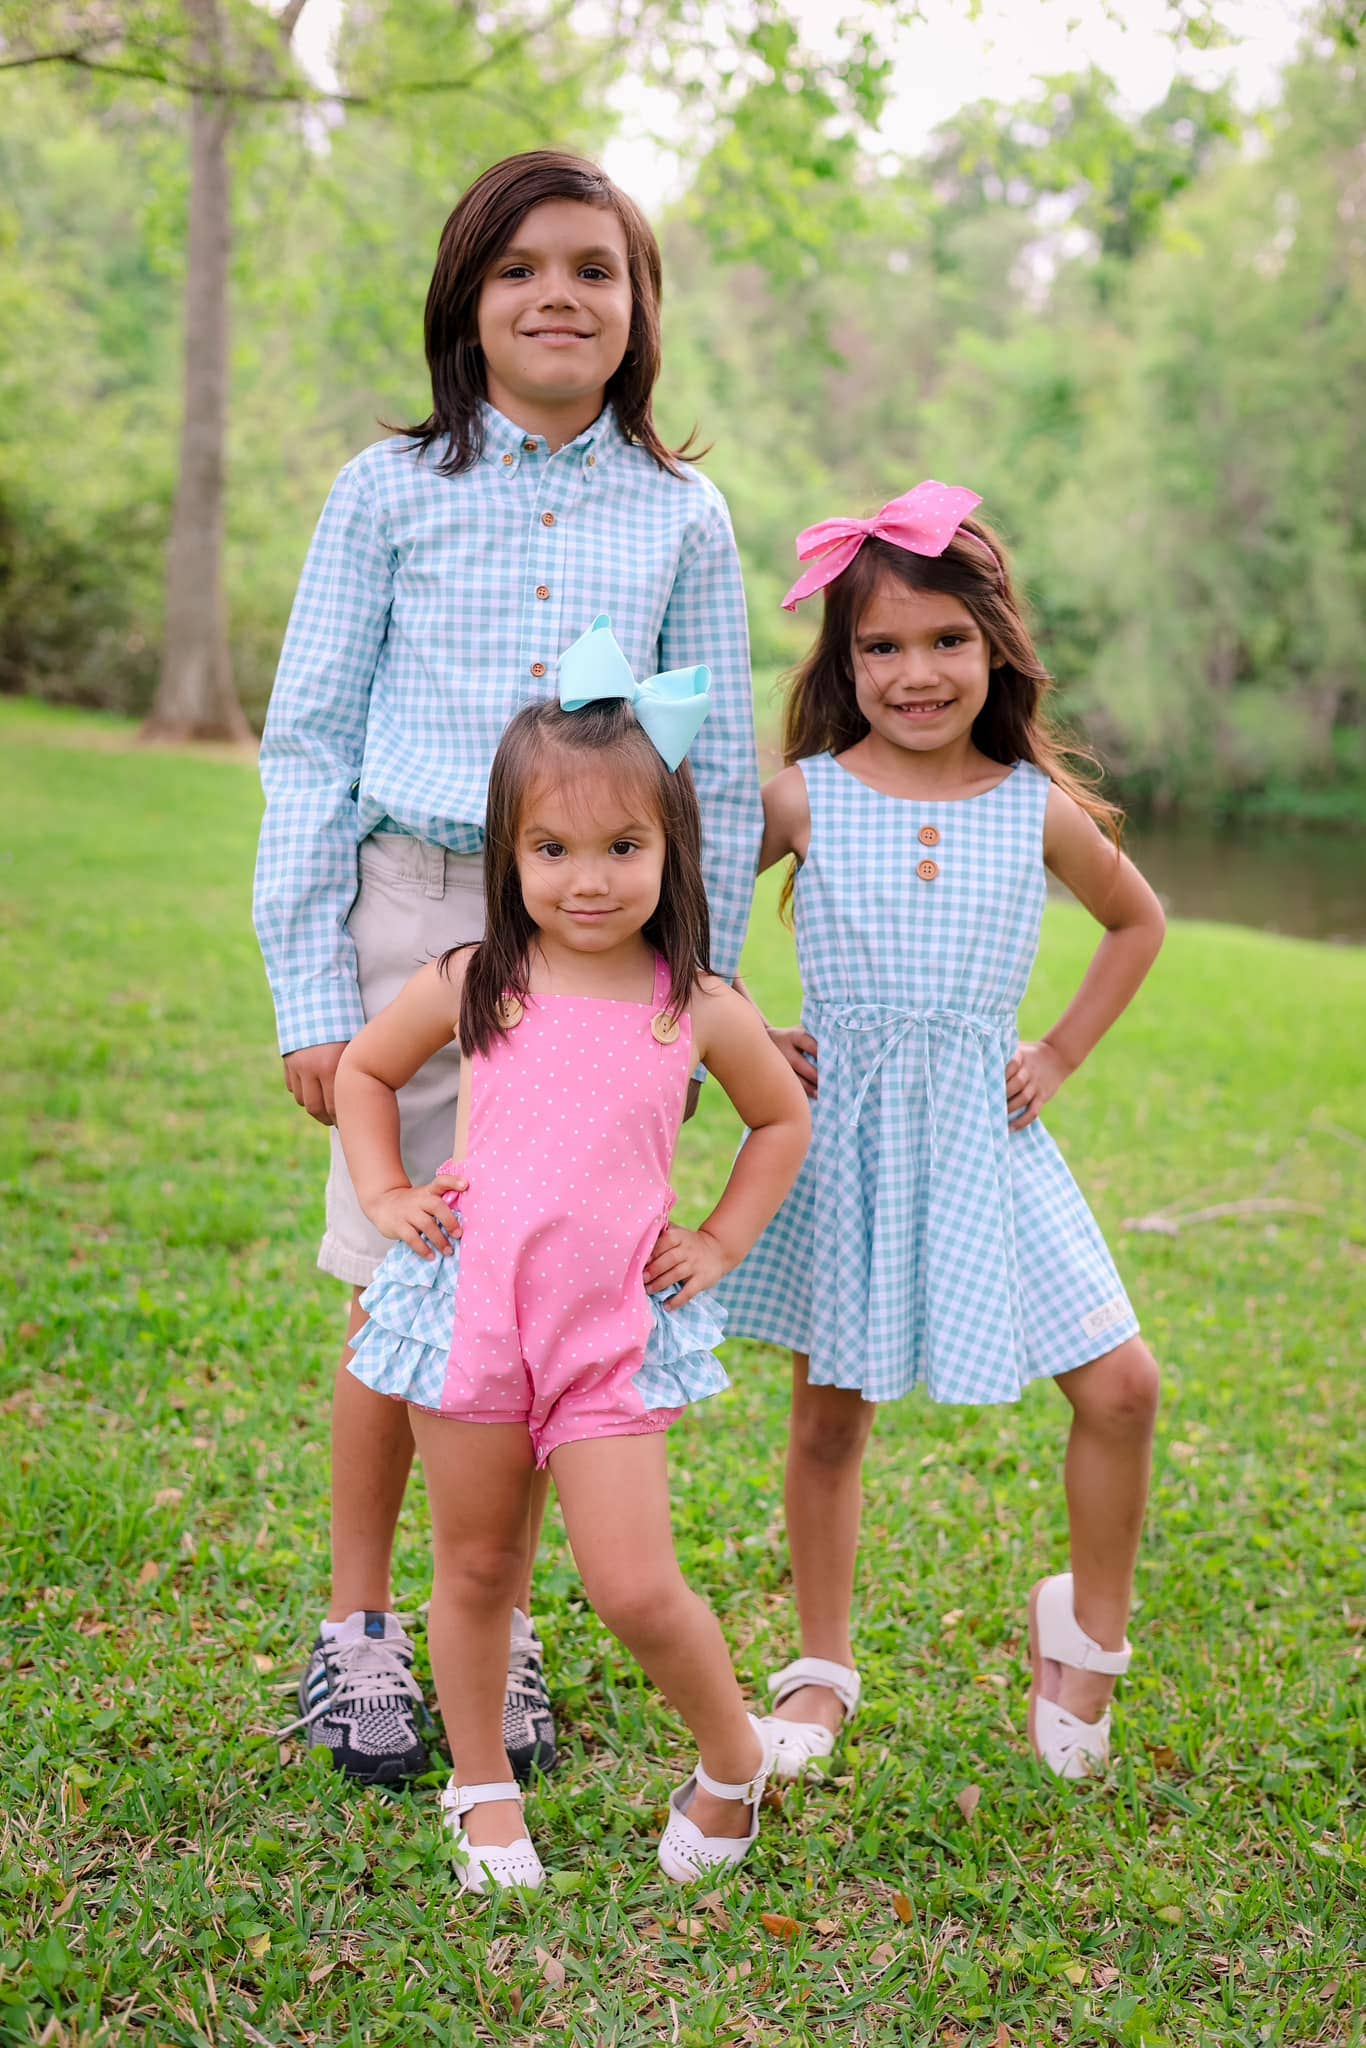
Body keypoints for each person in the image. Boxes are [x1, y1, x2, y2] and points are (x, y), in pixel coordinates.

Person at [254, 151, 761, 1787]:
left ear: (640, 311)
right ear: (466, 301)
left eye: (598, 269)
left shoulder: (682, 512)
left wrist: (696, 1003)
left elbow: (727, 772)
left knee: (553, 1284)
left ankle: (499, 1617)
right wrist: (312, 994)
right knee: (399, 1280)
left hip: (612, 950)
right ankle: (361, 1633)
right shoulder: (385, 489)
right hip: (416, 913)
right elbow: (309, 739)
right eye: (523, 266)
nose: (562, 293)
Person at [331, 629, 809, 1890]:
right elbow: (367, 1070)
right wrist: (384, 1185)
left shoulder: (697, 1001)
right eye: (551, 849)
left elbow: (781, 1117)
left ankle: (731, 1759)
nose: (586, 879)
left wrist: (719, 1234)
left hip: (608, 1326)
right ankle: (480, 1785)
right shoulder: (478, 975)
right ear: (509, 852)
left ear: (670, 850)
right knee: (478, 1563)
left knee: (636, 1583)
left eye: (621, 848)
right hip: (472, 1307)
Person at [719, 483, 1165, 1783]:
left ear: (994, 649)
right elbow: (669, 909)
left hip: (986, 1132)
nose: (914, 673)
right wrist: (740, 1017)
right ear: (841, 661)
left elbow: (1136, 923)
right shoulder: (802, 798)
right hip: (844, 1135)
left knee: (1121, 1384)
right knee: (827, 1419)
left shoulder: (1031, 808)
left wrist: (1061, 1049)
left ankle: (1085, 1633)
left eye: (943, 642)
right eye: (880, 647)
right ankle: (818, 1672)